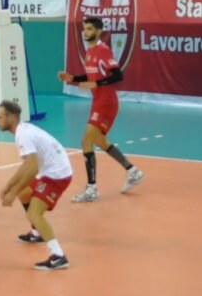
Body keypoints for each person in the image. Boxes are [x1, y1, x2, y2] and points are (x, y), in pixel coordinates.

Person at [58, 17, 145, 203]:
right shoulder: (90, 52)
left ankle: (92, 188)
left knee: (86, 141)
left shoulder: (103, 51)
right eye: (84, 29)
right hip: (98, 102)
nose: (85, 32)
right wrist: (72, 78)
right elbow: (90, 76)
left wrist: (96, 83)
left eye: (89, 29)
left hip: (106, 103)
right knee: (99, 141)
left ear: (98, 31)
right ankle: (132, 171)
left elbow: (117, 75)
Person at [0, 100, 71, 270]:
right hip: (49, 171)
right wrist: (10, 186)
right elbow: (27, 166)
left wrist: (11, 193)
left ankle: (58, 256)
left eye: (0, 117)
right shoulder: (21, 131)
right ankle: (37, 233)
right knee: (24, 192)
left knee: (34, 213)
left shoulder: (24, 135)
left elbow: (32, 168)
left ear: (12, 117)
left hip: (57, 175)